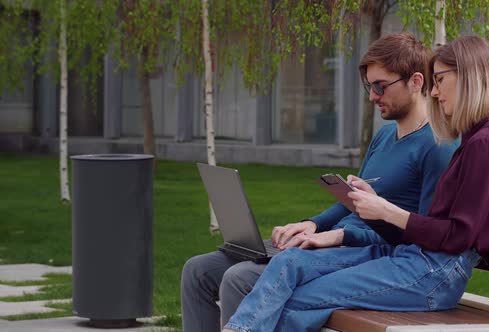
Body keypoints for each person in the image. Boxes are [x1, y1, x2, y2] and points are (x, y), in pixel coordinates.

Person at [221, 35, 489, 332]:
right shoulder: (479, 139)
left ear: (470, 77)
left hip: (433, 273)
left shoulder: (485, 144)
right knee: (291, 267)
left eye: (440, 80)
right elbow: (440, 232)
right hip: (415, 259)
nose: (436, 92)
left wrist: (386, 211)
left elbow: (458, 237)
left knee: (299, 299)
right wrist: (373, 209)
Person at [181, 32, 457, 332]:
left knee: (240, 278)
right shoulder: (385, 137)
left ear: (416, 82)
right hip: (332, 242)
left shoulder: (436, 148)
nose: (372, 96)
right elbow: (353, 204)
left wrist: (340, 237)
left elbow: (419, 239)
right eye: (369, 86)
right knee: (198, 270)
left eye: (380, 86)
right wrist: (312, 224)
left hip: (367, 256)